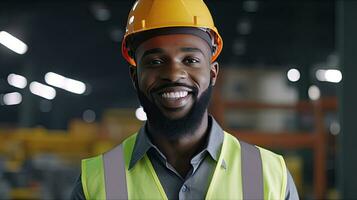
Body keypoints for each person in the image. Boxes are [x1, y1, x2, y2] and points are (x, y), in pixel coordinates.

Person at [71, 0, 299, 199]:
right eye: (156, 62)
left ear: (212, 73)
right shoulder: (96, 183)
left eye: (190, 60)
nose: (173, 74)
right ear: (135, 76)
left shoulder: (270, 177)